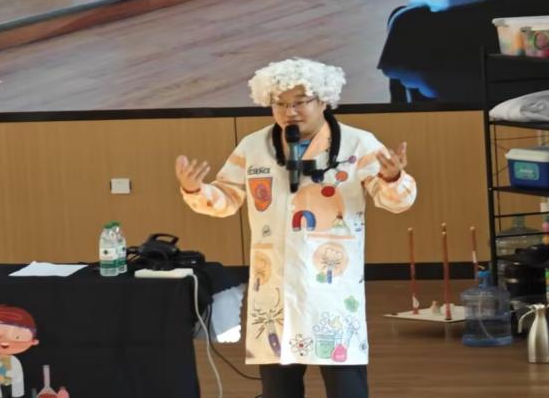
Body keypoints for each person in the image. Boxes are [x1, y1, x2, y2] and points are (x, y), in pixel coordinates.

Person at [176, 58, 415, 398]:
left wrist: (393, 178)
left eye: (300, 102)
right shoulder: (254, 147)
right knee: (279, 388)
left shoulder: (358, 144)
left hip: (331, 287)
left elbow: (396, 201)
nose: (290, 112)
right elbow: (226, 199)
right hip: (274, 285)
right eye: (280, 104)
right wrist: (195, 190)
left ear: (324, 100)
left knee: (346, 386)